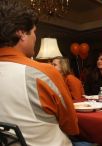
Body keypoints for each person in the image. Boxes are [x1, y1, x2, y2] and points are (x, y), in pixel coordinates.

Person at [0, 1, 91, 146]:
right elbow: (72, 127)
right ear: (22, 33)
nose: (35, 37)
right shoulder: (44, 73)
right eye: (34, 31)